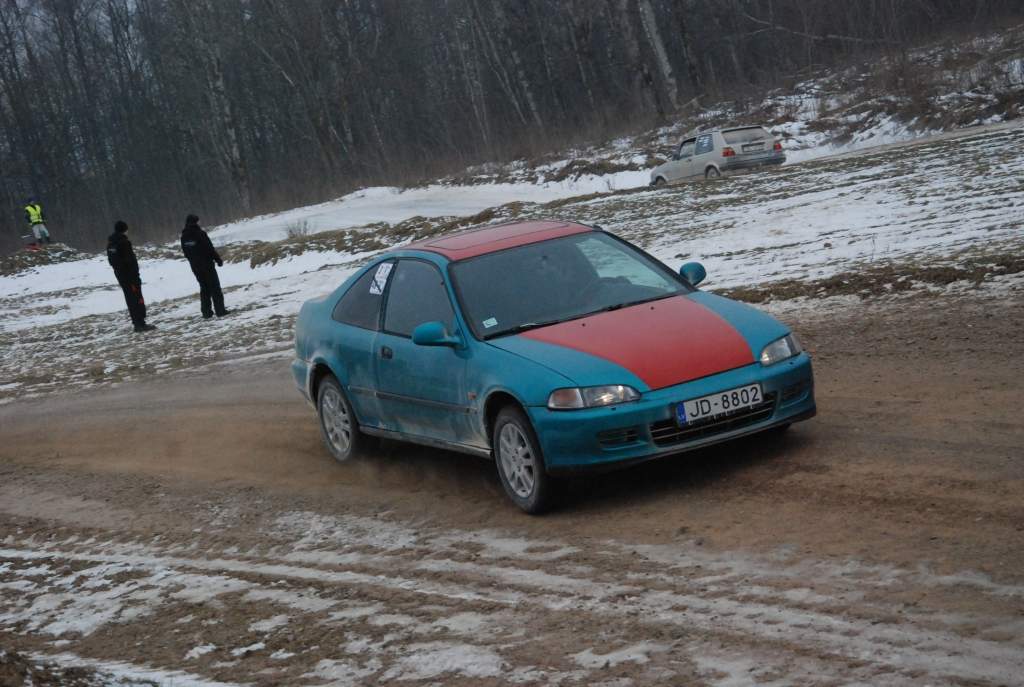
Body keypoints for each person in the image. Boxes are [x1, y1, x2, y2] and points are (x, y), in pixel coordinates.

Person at [107, 220, 155, 333]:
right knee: (137, 298)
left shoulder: (110, 244)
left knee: (129, 299)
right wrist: (135, 276)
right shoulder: (124, 242)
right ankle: (140, 324)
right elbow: (130, 261)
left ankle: (137, 323)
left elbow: (111, 261)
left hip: (120, 276)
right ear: (125, 230)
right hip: (130, 277)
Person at [180, 214, 227, 318]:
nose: (200, 223)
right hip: (207, 264)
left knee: (204, 288)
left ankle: (206, 312)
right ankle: (220, 310)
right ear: (195, 222)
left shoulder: (184, 236)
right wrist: (218, 259)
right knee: (215, 288)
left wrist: (194, 261)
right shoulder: (200, 233)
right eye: (198, 221)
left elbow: (186, 253)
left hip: (195, 267)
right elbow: (209, 248)